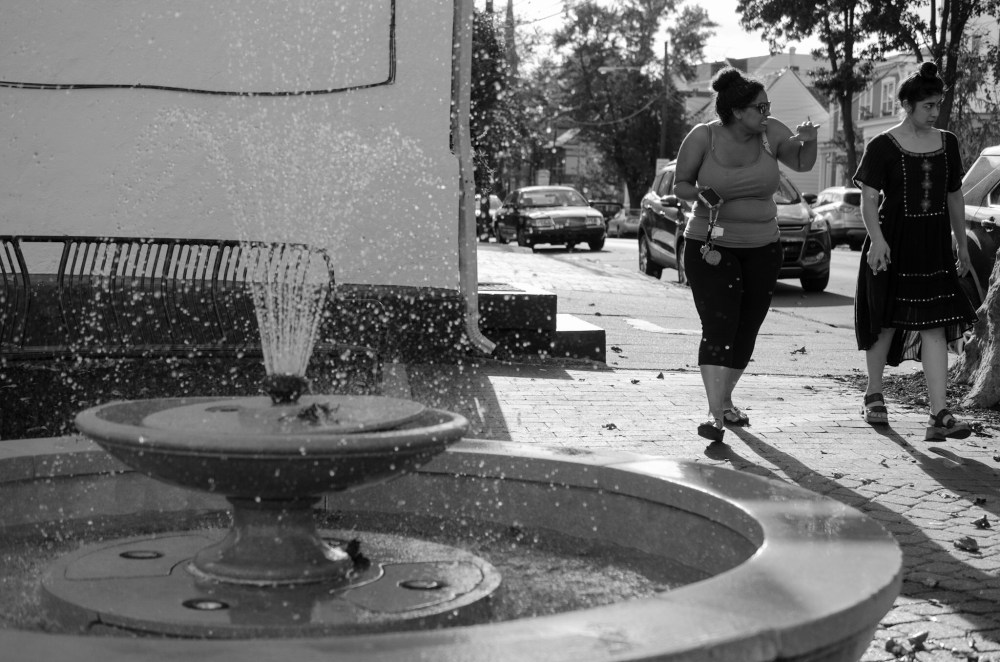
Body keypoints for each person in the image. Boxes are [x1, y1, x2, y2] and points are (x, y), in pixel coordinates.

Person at [674, 66, 819, 443]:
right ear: (737, 111)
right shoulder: (702, 137)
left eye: (767, 105)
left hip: (763, 248)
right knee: (720, 326)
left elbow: (802, 162)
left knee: (747, 328)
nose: (767, 112)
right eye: (760, 107)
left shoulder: (770, 133)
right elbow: (681, 185)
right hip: (710, 246)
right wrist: (704, 194)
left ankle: (723, 400)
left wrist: (809, 139)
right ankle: (714, 415)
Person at [854, 61, 978, 441]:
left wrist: (962, 243)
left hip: (933, 246)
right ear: (906, 104)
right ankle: (874, 392)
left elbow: (954, 196)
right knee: (886, 319)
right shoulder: (882, 145)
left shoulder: (949, 142)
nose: (935, 112)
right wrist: (876, 239)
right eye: (928, 105)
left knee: (935, 325)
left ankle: (939, 414)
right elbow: (869, 198)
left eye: (938, 105)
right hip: (891, 243)